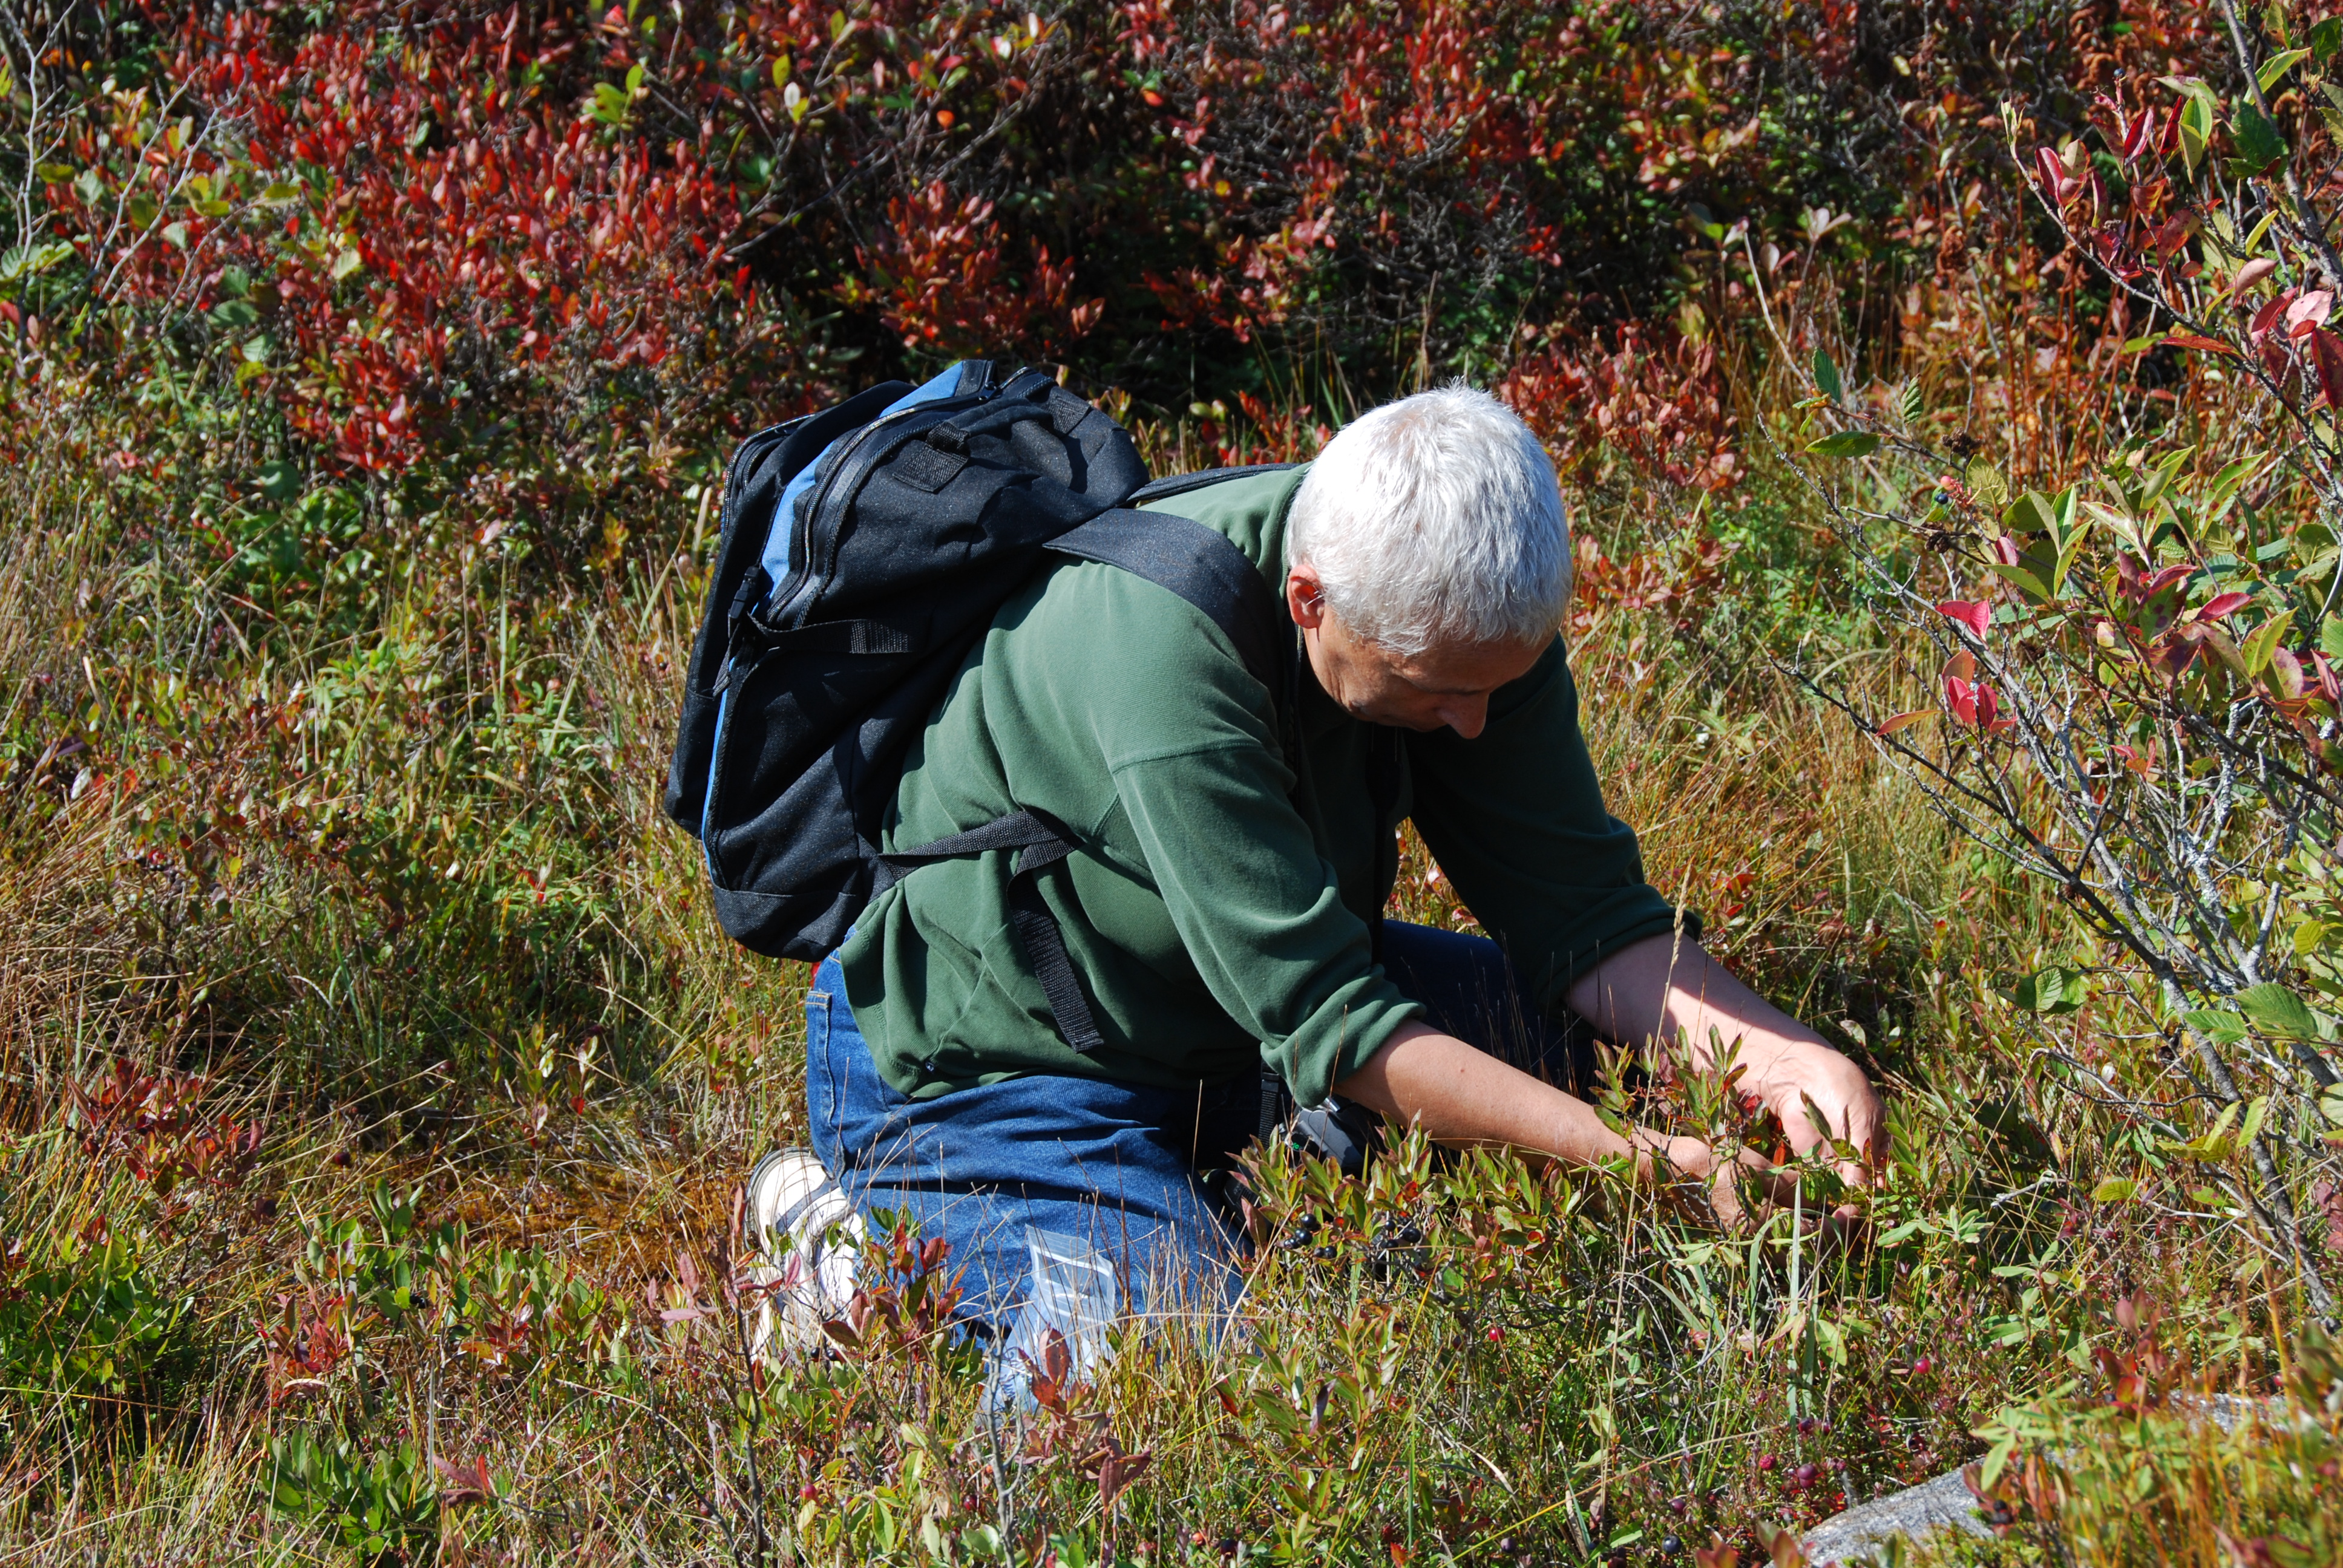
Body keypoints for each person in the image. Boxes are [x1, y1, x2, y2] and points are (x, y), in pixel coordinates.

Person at [745, 384, 1884, 1345]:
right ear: (1309, 603)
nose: (1476, 724)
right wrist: (1635, 1163)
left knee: (1618, 1060)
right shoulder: (1160, 654)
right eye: (1440, 693)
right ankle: (848, 1263)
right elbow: (1338, 1025)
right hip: (995, 1070)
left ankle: (1198, 1200)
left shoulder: (1465, 614)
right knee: (1173, 1374)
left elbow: (1585, 916)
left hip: (1237, 1031)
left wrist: (1780, 1057)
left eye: (1500, 683)